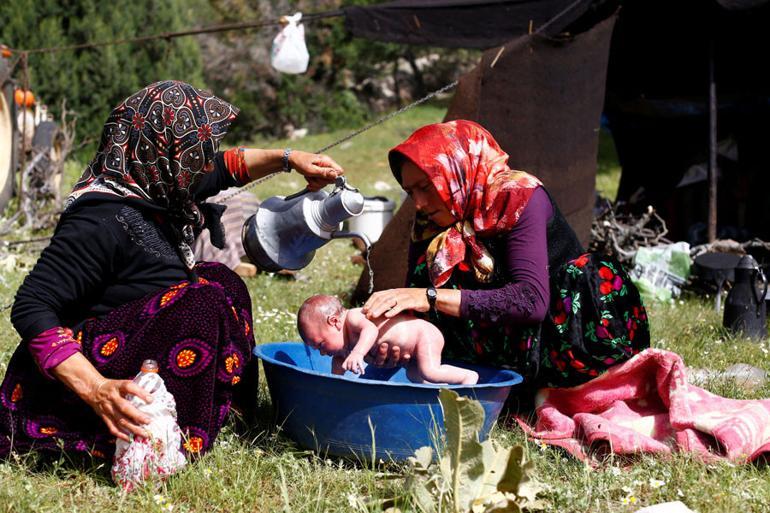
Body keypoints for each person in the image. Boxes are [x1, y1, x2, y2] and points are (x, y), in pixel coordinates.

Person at [0, 81, 344, 459]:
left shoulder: (159, 182)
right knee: (202, 300)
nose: (203, 164)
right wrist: (97, 390)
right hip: (85, 380)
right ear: (160, 151)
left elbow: (227, 168)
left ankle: (226, 412)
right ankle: (173, 436)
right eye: (194, 155)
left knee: (222, 280)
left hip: (135, 344)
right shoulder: (99, 220)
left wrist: (290, 158)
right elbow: (32, 306)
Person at [361, 120, 650, 391]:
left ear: (458, 171)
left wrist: (429, 297)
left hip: (559, 332)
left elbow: (531, 301)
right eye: (410, 192)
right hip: (505, 337)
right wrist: (402, 328)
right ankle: (491, 381)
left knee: (583, 275)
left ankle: (551, 389)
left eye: (426, 187)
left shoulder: (517, 197)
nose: (420, 204)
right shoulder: (432, 219)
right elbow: (417, 296)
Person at [297, 294, 479, 385]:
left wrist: (358, 353)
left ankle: (467, 378)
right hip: (409, 355)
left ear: (335, 321)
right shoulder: (341, 352)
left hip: (423, 335)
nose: (322, 352)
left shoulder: (353, 318)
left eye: (320, 344)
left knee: (430, 371)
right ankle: (441, 396)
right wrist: (332, 387)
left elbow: (370, 330)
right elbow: (336, 373)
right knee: (415, 376)